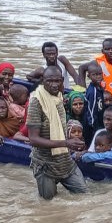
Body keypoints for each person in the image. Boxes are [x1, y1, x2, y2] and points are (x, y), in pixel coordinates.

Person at [27, 67, 88, 199]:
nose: (54, 84)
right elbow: (33, 139)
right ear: (43, 81)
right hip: (45, 164)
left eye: (57, 81)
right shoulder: (36, 103)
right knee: (48, 203)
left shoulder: (59, 97)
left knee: (84, 195)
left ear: (62, 81)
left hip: (65, 161)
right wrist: (66, 143)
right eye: (50, 81)